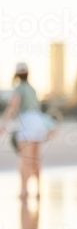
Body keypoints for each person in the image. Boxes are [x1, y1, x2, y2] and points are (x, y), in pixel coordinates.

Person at [0, 63, 56, 199]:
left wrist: (4, 123)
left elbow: (13, 105)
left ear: (17, 74)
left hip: (27, 123)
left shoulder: (19, 88)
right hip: (39, 122)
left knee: (25, 159)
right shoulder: (32, 89)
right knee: (36, 158)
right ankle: (38, 191)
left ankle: (24, 190)